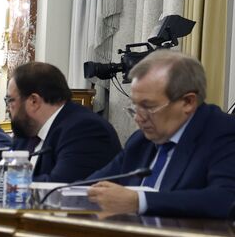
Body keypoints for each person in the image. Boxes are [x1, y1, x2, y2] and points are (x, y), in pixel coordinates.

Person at [87, 51, 235, 218]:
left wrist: (139, 201)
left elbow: (225, 199)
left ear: (188, 102)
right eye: (135, 107)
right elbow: (90, 186)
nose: (138, 118)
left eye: (148, 107)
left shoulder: (224, 133)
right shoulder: (140, 141)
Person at [6, 61, 120, 182]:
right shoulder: (26, 131)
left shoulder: (85, 129)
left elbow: (60, 186)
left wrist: (12, 183)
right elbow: (5, 175)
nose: (8, 108)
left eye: (10, 100)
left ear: (34, 101)